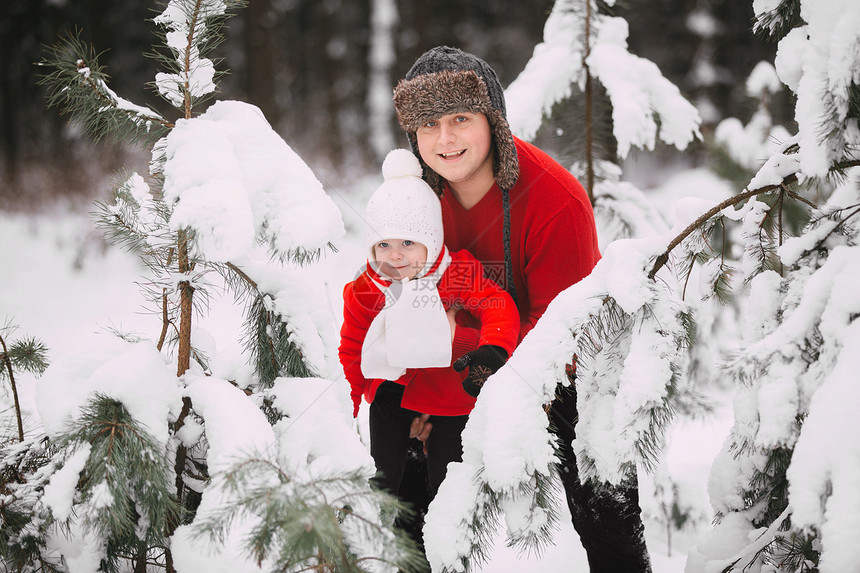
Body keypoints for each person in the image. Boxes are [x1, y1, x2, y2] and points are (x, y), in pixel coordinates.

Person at [392, 45, 653, 572]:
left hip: (569, 366)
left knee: (603, 507)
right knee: (408, 486)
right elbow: (401, 300)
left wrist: (480, 384)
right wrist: (419, 386)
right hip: (461, 364)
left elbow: (567, 334)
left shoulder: (555, 199)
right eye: (427, 125)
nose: (444, 140)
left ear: (493, 121)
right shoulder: (414, 202)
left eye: (460, 119)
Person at [338, 148, 520, 544]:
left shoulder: (455, 273)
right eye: (383, 245)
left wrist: (493, 348)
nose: (396, 255)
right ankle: (396, 553)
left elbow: (498, 305)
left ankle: (448, 552)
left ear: (432, 240)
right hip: (390, 396)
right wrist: (348, 403)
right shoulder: (367, 289)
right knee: (388, 489)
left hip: (451, 396)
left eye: (408, 241)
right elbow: (352, 347)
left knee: (448, 493)